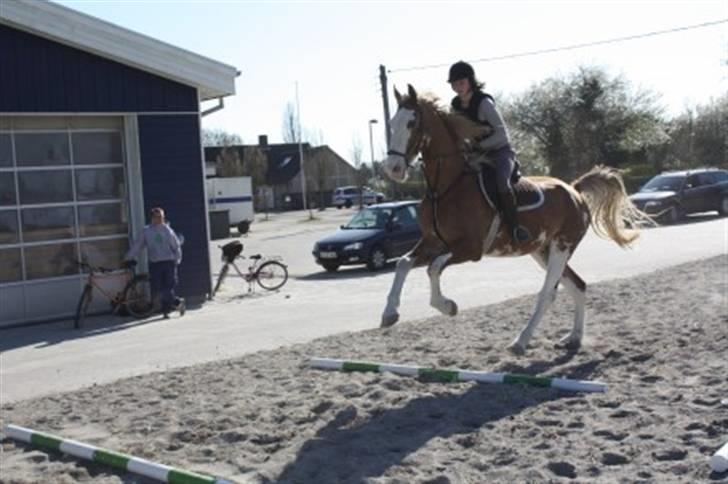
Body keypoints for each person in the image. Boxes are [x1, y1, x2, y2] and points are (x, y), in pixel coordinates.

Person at [448, 60, 530, 243]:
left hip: (500, 152)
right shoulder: (455, 105)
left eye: (461, 82)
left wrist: (477, 147)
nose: (457, 87)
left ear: (470, 81)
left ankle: (516, 227)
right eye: (454, 84)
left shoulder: (483, 102)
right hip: (475, 156)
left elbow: (503, 134)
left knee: (502, 183)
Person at [124, 207, 185, 318]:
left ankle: (166, 310)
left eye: (162, 217)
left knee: (168, 286)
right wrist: (128, 257)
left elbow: (176, 246)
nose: (161, 219)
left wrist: (177, 259)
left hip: (168, 262)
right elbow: (138, 245)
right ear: (152, 218)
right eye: (158, 217)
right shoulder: (147, 231)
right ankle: (177, 302)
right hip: (155, 263)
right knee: (157, 287)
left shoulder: (167, 230)